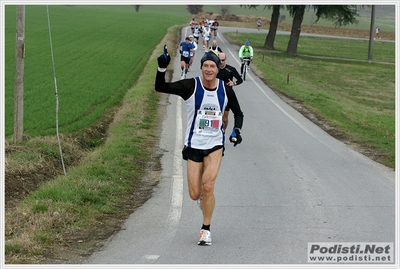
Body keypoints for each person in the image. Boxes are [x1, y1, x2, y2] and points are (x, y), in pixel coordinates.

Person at [156, 48, 244, 246]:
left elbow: (239, 113)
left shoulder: (225, 89)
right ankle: (204, 200)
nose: (209, 69)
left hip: (215, 145)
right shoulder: (190, 86)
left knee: (208, 186)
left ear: (218, 68)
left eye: (212, 66)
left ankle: (206, 230)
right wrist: (162, 68)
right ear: (202, 67)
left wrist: (236, 130)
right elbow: (160, 87)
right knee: (195, 194)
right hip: (194, 145)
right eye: (205, 66)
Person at [217, 52, 243, 132]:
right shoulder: (214, 69)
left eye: (223, 60)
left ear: (226, 60)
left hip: (227, 96)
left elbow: (240, 80)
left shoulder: (231, 69)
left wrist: (233, 83)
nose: (221, 62)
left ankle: (223, 132)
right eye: (219, 60)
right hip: (215, 95)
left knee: (224, 119)